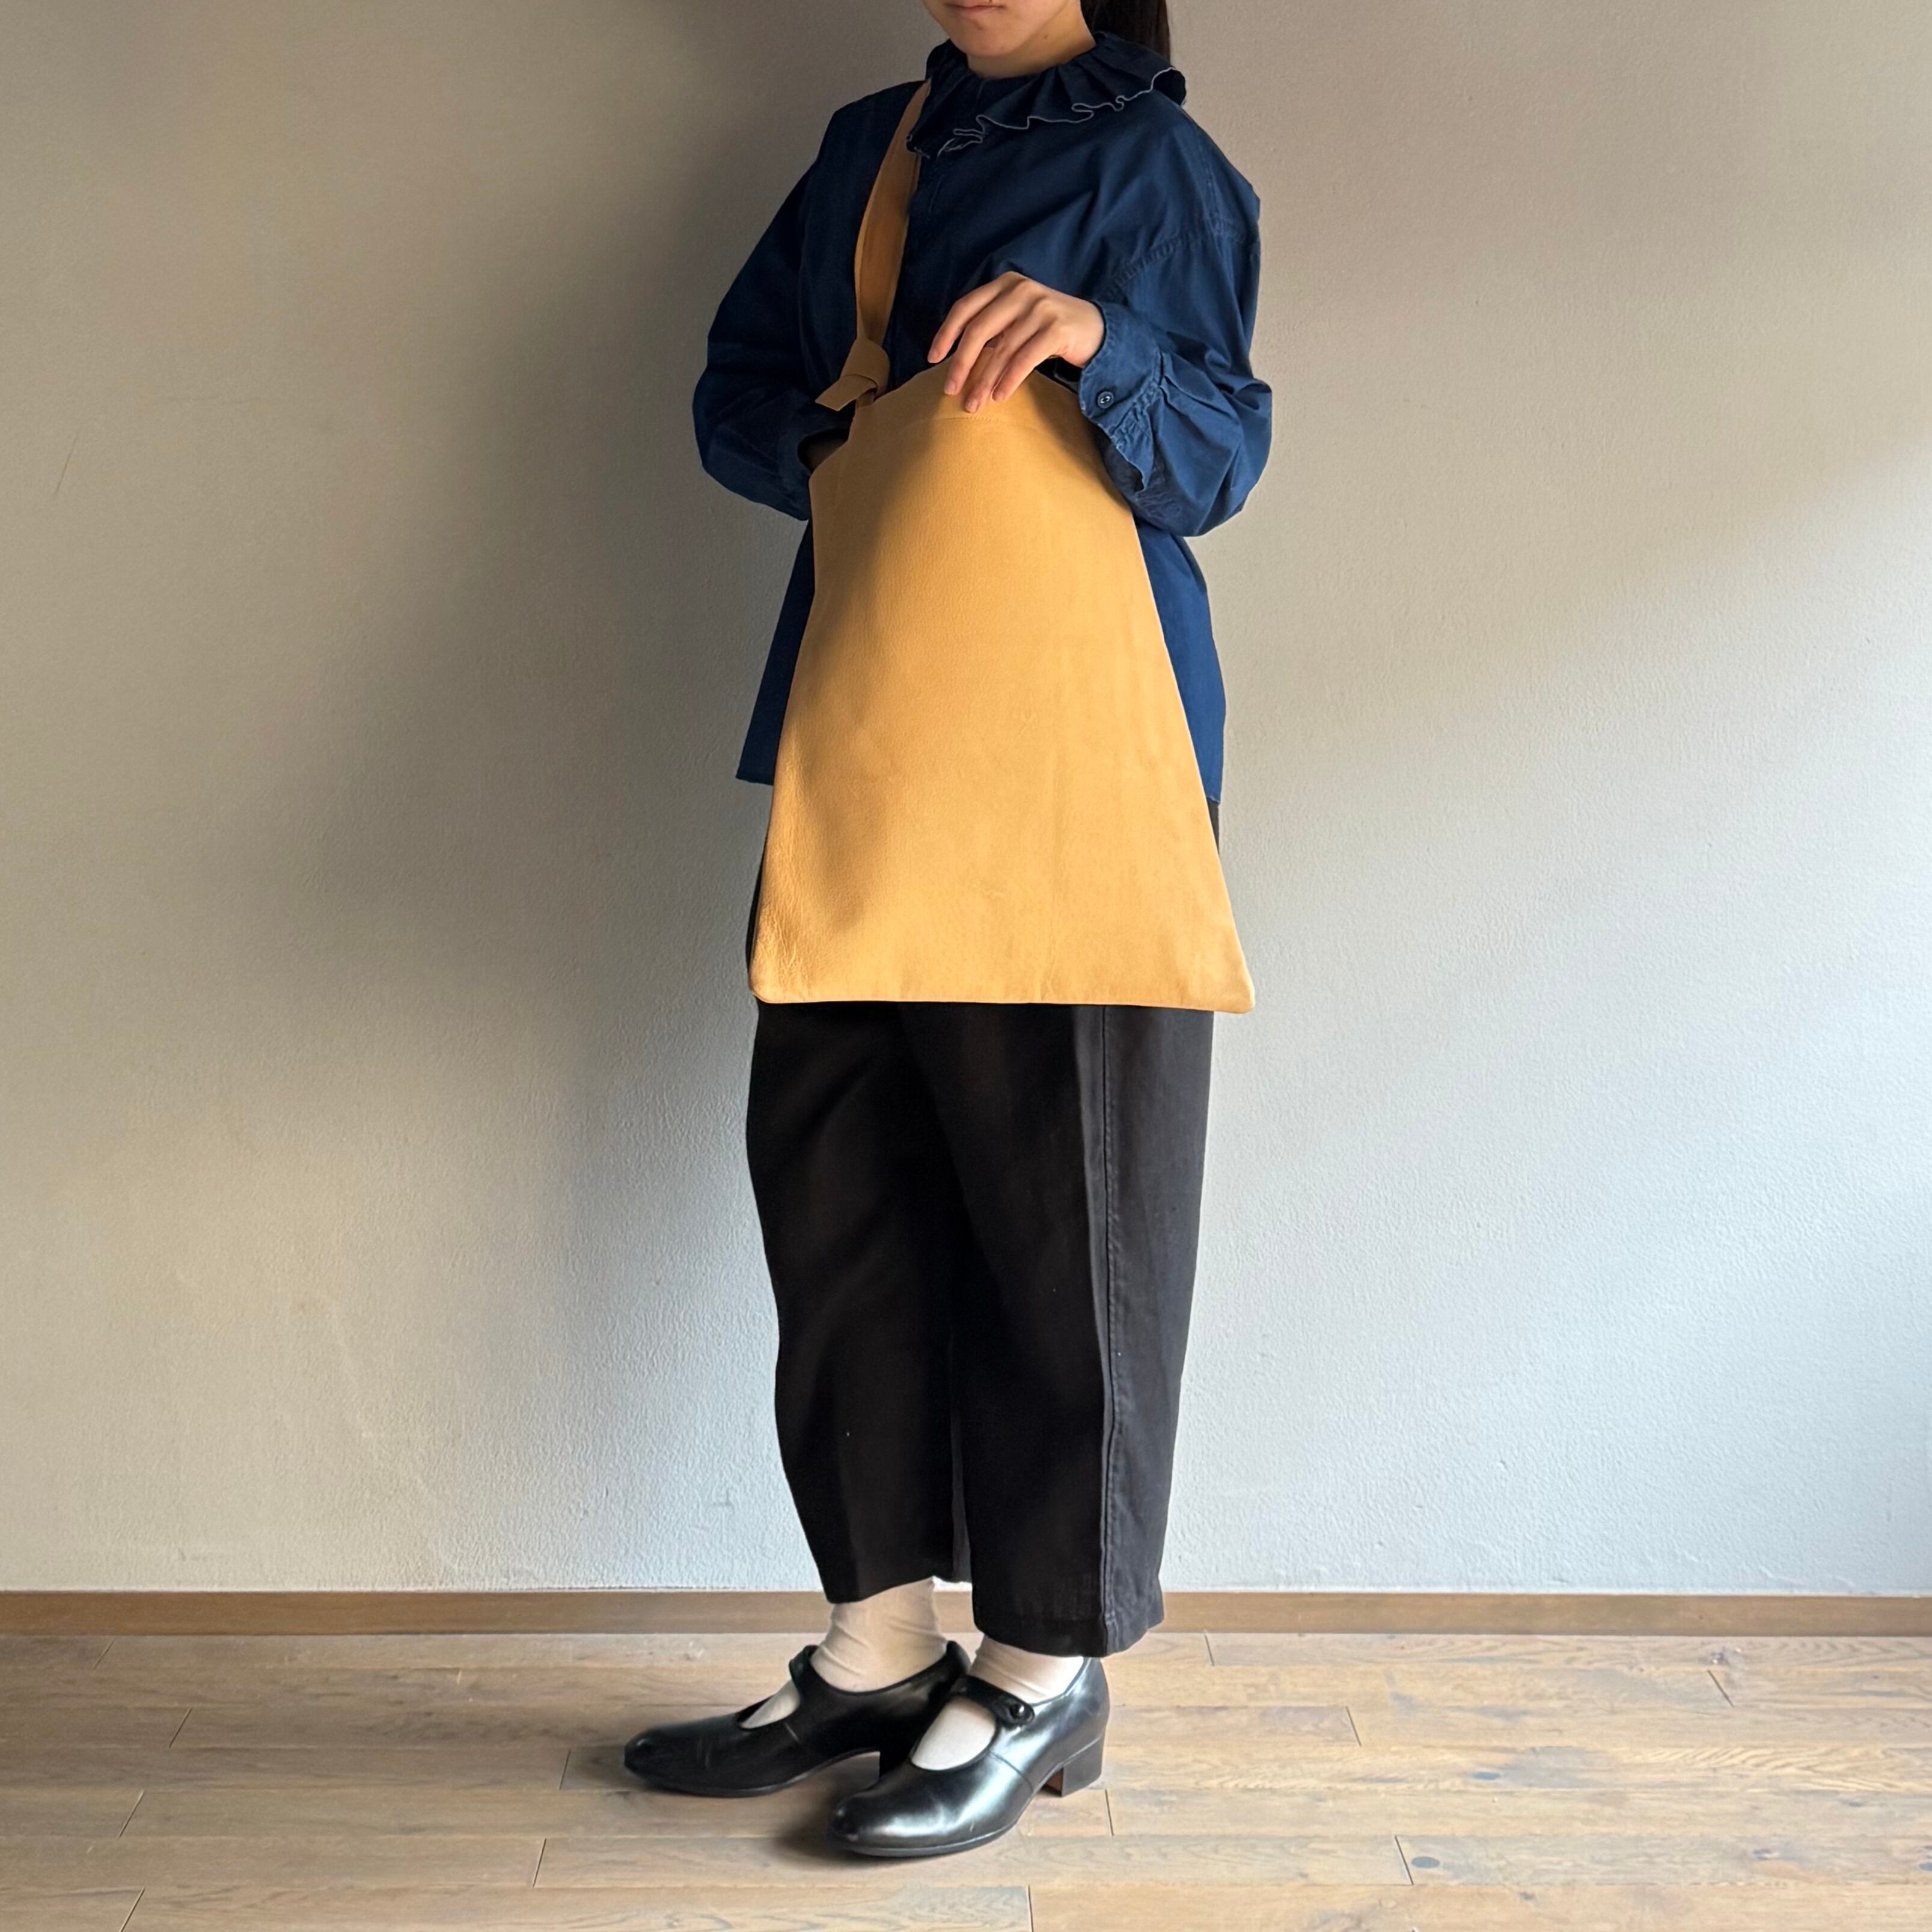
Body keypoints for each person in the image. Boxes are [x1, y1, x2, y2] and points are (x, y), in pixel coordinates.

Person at [623, 0, 1270, 1860]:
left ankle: (1044, 1670)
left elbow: (1217, 460)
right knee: (839, 1199)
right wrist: (848, 433)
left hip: (1079, 750)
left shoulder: (1157, 163)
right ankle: (880, 1648)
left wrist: (1099, 341)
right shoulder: (866, 150)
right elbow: (738, 393)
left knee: (1073, 1216)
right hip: (873, 725)